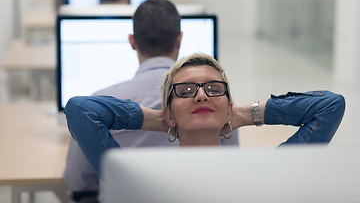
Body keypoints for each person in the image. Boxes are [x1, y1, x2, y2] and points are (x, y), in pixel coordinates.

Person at [63, 0, 239, 202]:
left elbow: (77, 181)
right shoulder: (213, 101)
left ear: (132, 41)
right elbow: (229, 162)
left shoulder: (100, 109)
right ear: (180, 39)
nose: (199, 96)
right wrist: (249, 114)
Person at [65, 53, 346, 176]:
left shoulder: (266, 174)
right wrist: (160, 121)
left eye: (214, 89)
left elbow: (330, 106)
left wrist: (246, 114)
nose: (201, 95)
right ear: (169, 113)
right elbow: (81, 110)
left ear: (229, 107)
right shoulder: (136, 176)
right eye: (186, 91)